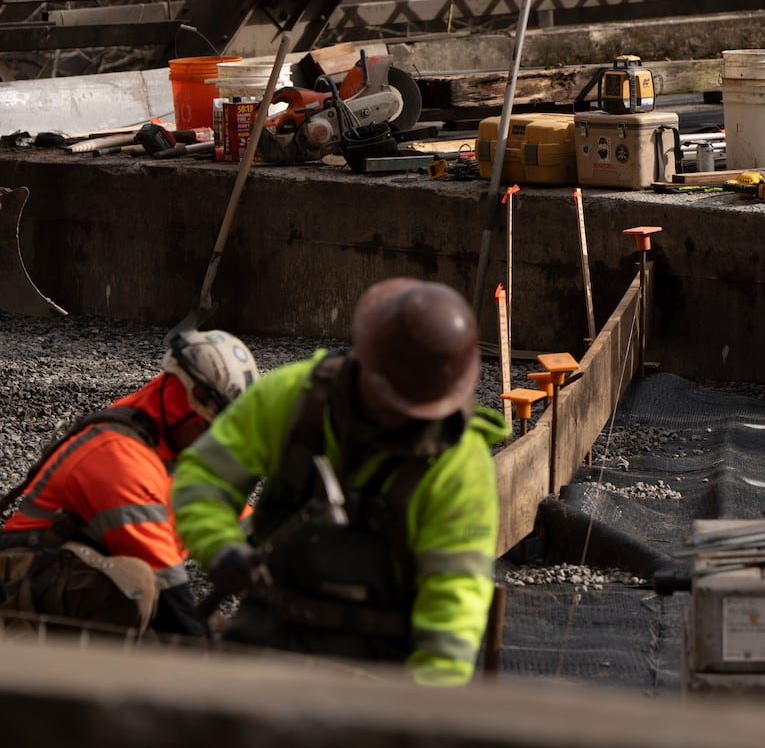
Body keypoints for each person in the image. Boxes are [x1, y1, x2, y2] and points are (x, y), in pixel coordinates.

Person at [171, 278, 508, 685]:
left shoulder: (458, 464)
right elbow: (203, 478)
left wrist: (426, 705)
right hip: (268, 641)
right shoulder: (294, 399)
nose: (398, 418)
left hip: (381, 669)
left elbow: (456, 594)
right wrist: (220, 546)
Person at [0, 329, 261, 637]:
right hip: (21, 592)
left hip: (73, 576)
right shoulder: (120, 456)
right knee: (136, 584)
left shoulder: (172, 433)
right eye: (212, 429)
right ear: (190, 403)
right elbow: (170, 598)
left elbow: (244, 528)